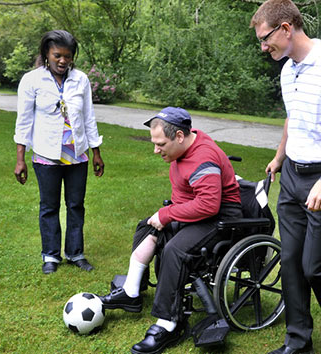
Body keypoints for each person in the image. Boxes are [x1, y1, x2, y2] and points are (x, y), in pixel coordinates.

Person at [250, 1, 321, 353]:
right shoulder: (289, 69)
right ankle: (297, 340)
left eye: (265, 38)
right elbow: (292, 117)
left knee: (316, 267)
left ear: (286, 28)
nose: (263, 46)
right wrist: (279, 156)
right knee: (290, 263)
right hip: (292, 179)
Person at [100, 107, 242, 354]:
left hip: (220, 218)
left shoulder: (203, 157)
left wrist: (167, 215)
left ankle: (169, 324)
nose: (156, 150)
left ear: (178, 136)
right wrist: (163, 219)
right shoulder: (184, 145)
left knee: (176, 250)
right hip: (194, 210)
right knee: (147, 227)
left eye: (160, 144)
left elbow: (209, 204)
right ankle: (132, 292)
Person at [13, 30, 104, 275]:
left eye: (68, 56)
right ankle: (50, 256)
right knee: (49, 207)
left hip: (77, 155)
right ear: (46, 54)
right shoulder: (32, 81)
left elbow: (88, 117)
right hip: (45, 155)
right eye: (57, 56)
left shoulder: (81, 80)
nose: (63, 61)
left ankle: (76, 253)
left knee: (76, 205)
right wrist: (20, 158)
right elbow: (24, 121)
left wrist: (96, 152)